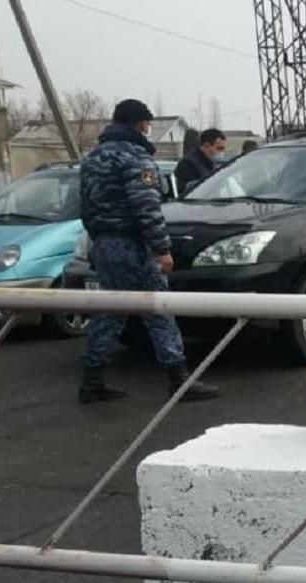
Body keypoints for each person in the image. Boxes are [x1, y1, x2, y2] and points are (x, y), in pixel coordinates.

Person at [78, 99, 219, 404]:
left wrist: (100, 240)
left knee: (111, 310)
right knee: (159, 309)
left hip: (104, 243)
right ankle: (179, 380)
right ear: (140, 124)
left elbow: (85, 209)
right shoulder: (134, 157)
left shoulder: (92, 159)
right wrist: (162, 249)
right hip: (132, 245)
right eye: (147, 123)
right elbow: (146, 208)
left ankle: (93, 377)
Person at [174, 127, 226, 196]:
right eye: (219, 148)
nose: (222, 152)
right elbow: (187, 191)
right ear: (206, 145)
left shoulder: (211, 163)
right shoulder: (188, 164)